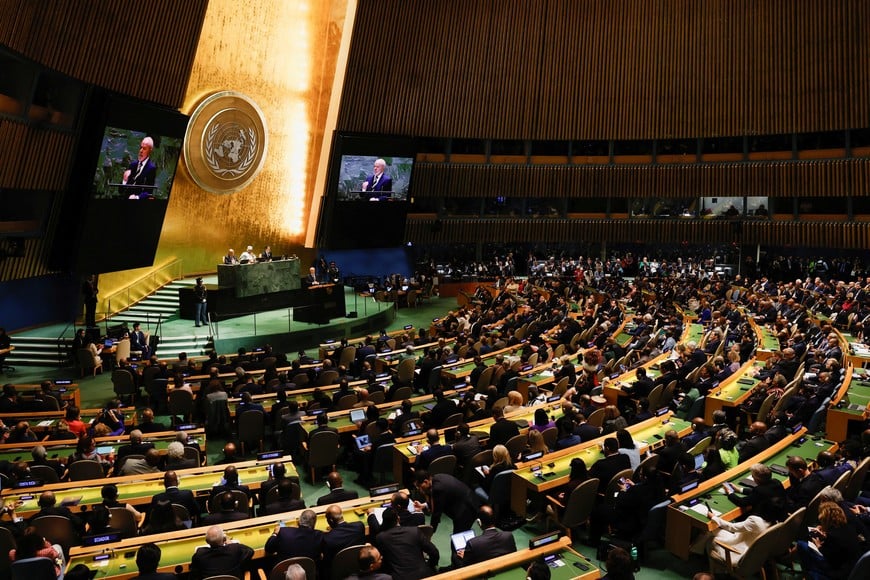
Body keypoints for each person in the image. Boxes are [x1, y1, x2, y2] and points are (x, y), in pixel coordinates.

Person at [796, 501, 863, 579]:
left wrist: (819, 546)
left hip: (837, 572)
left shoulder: (833, 536)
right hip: (851, 566)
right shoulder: (847, 526)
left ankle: (809, 572)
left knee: (801, 544)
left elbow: (831, 558)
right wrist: (825, 537)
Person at [373, 507, 439, 579]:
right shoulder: (414, 531)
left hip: (400, 577)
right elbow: (434, 552)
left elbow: (383, 563)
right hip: (424, 574)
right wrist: (429, 565)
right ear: (398, 519)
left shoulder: (380, 538)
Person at [413, 470, 478, 533]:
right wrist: (424, 505)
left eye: (419, 486)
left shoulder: (438, 489)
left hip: (466, 510)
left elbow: (436, 514)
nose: (419, 489)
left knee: (458, 538)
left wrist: (430, 532)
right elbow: (436, 500)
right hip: (464, 502)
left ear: (426, 481)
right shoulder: (435, 479)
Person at [189, 525, 254, 580]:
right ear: (224, 539)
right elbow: (250, 551)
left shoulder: (200, 554)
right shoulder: (235, 549)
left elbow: (193, 570)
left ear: (207, 541)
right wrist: (230, 544)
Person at [321, 505, 366, 578]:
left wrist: (331, 532)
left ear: (331, 520)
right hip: (358, 565)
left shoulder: (328, 538)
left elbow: (327, 561)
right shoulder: (359, 526)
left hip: (339, 572)